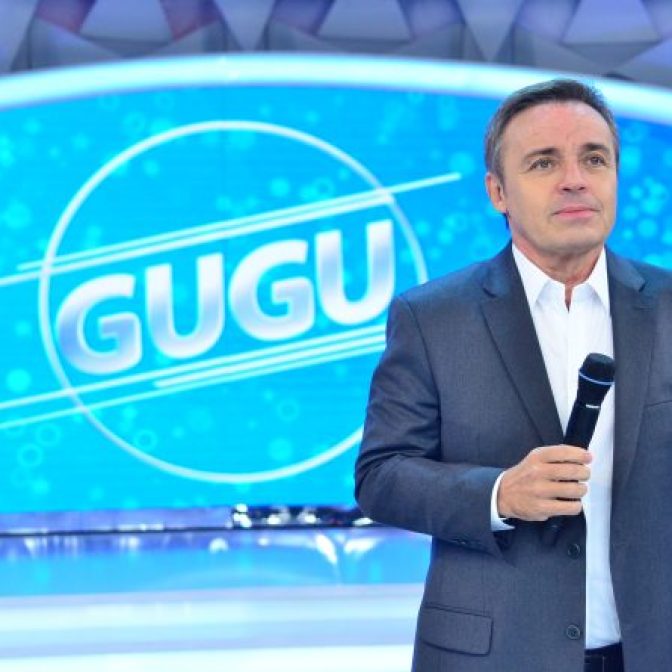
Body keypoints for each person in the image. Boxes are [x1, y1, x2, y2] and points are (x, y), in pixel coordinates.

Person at [355, 78, 672, 672]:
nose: (575, 179)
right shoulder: (432, 317)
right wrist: (499, 494)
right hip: (496, 654)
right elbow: (382, 476)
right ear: (498, 192)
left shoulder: (668, 305)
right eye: (544, 162)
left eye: (594, 159)